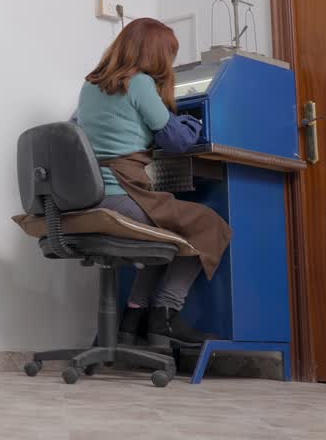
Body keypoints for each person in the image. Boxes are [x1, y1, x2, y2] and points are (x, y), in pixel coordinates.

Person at [75, 18, 231, 347]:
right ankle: (165, 318)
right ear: (156, 53)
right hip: (121, 195)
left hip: (89, 198)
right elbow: (176, 141)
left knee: (168, 234)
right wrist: (190, 120)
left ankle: (132, 320)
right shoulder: (140, 83)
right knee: (208, 224)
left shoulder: (90, 86)